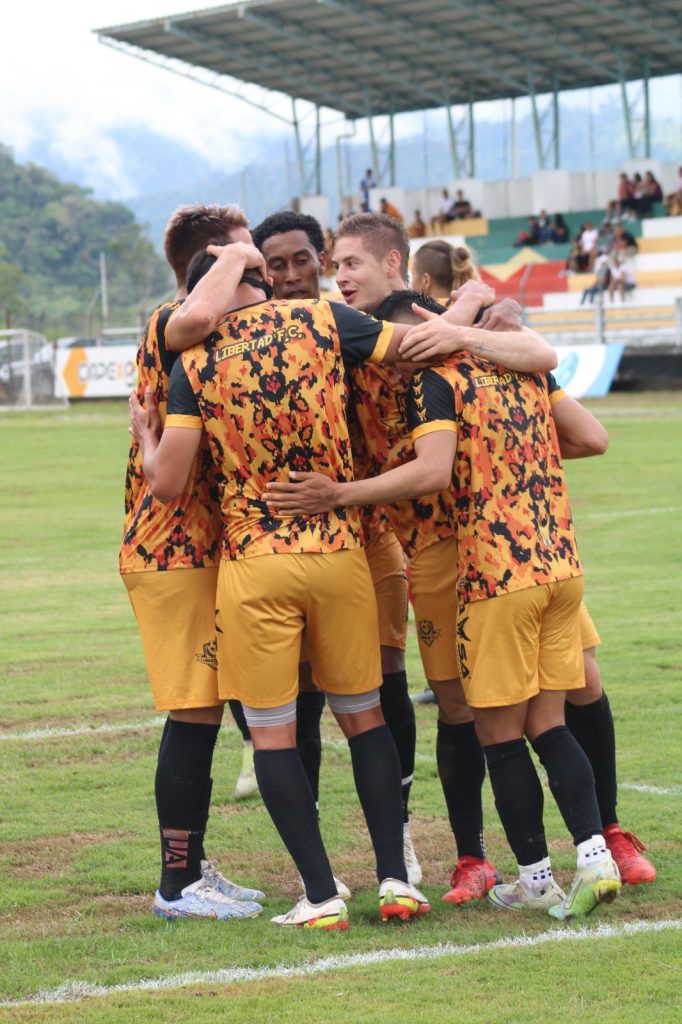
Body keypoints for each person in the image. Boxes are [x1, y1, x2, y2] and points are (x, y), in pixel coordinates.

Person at [129, 242, 472, 929]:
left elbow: (166, 485)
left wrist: (145, 439)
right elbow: (414, 347)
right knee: (365, 719)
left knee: (274, 734)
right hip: (339, 548)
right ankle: (397, 880)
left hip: (254, 561)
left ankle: (319, 895)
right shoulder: (323, 320)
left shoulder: (192, 363)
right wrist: (469, 305)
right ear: (262, 281)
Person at [266, 315, 623, 922]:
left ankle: (536, 881)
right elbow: (584, 429)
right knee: (549, 722)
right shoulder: (522, 369)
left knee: (498, 734)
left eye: (399, 349)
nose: (393, 365)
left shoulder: (437, 383)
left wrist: (338, 493)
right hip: (561, 566)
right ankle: (596, 856)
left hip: (495, 575)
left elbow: (432, 473)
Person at [120, 203, 267, 920]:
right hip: (171, 551)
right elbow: (195, 321)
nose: (260, 264)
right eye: (246, 255)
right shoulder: (170, 318)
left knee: (206, 712)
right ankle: (176, 884)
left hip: (202, 549)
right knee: (194, 714)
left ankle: (193, 865)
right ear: (209, 259)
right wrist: (234, 260)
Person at [411, 240, 479, 300]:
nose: (410, 287)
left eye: (413, 275)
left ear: (426, 281)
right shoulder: (475, 308)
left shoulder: (413, 313)